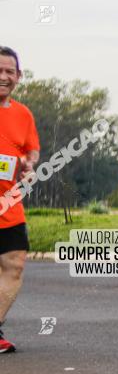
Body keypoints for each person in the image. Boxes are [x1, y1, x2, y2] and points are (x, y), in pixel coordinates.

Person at [0, 46, 40, 353]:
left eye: (9, 71)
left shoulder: (23, 114)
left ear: (18, 76)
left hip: (9, 202)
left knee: (14, 264)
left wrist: (28, 164)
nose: (3, 77)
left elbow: (30, 150)